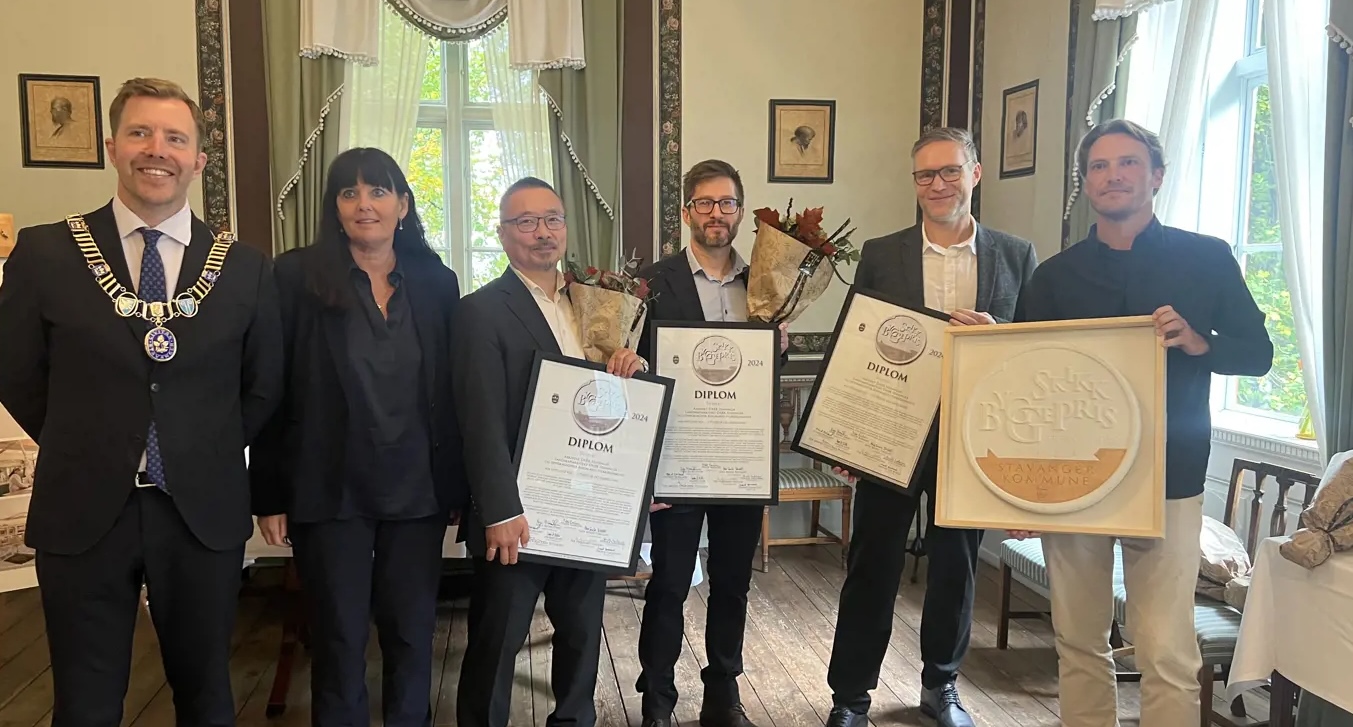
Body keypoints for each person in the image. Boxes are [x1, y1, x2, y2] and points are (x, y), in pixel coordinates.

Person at [0, 77, 283, 727]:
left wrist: (198, 444)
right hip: (82, 509)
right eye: (140, 132)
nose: (157, 149)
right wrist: (86, 437)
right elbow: (15, 371)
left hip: (199, 513)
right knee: (85, 702)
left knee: (206, 695)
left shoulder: (245, 269)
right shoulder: (45, 253)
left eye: (175, 138)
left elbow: (264, 384)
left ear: (198, 160)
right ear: (112, 147)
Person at [1013, 118, 1273, 726]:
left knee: (1166, 649)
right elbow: (1026, 377)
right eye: (1099, 166)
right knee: (1078, 641)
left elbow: (1259, 354)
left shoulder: (1207, 258)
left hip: (1169, 476)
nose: (1114, 176)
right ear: (1086, 183)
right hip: (1074, 480)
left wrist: (1200, 341)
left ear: (1156, 176)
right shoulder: (1054, 276)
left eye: (1128, 162)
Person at [824, 127, 1038, 727]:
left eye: (950, 171)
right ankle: (850, 696)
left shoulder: (1017, 255)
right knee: (871, 566)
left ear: (975, 174)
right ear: (914, 182)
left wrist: (997, 337)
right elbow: (855, 344)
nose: (937, 184)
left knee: (956, 569)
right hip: (890, 434)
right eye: (925, 174)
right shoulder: (881, 253)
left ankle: (940, 686)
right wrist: (845, 435)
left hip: (972, 436)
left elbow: (1036, 350)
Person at [248, 147, 468, 726]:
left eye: (378, 191)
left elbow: (453, 392)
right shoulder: (295, 276)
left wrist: (457, 486)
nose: (364, 204)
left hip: (417, 489)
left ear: (403, 205)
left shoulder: (437, 282)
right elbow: (271, 387)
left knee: (412, 634)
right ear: (335, 206)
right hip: (329, 491)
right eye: (349, 193)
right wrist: (269, 493)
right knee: (338, 638)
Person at [452, 176, 649, 727]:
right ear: (502, 233)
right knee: (496, 643)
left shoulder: (597, 306)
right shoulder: (479, 312)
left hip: (587, 504)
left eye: (552, 219)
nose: (542, 232)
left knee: (582, 638)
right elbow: (478, 419)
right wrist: (499, 511)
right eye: (526, 221)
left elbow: (607, 402)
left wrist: (633, 369)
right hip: (517, 514)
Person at [632, 159, 789, 727]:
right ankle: (657, 699)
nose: (716, 213)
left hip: (740, 460)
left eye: (726, 203)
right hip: (677, 459)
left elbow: (762, 376)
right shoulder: (652, 283)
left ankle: (723, 693)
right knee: (669, 584)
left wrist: (779, 348)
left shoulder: (767, 284)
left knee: (732, 585)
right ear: (686, 213)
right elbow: (636, 367)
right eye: (705, 203)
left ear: (740, 212)